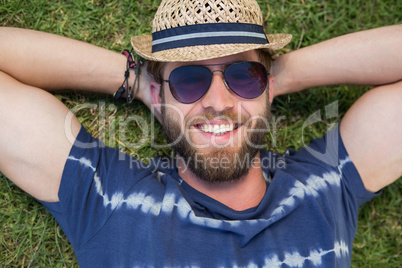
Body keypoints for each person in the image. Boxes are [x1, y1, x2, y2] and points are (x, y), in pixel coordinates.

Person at [0, 0, 400, 266]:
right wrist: (140, 83)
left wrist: (277, 75)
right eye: (190, 81)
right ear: (159, 97)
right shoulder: (109, 200)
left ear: (269, 88)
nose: (218, 101)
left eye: (244, 76)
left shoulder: (327, 185)